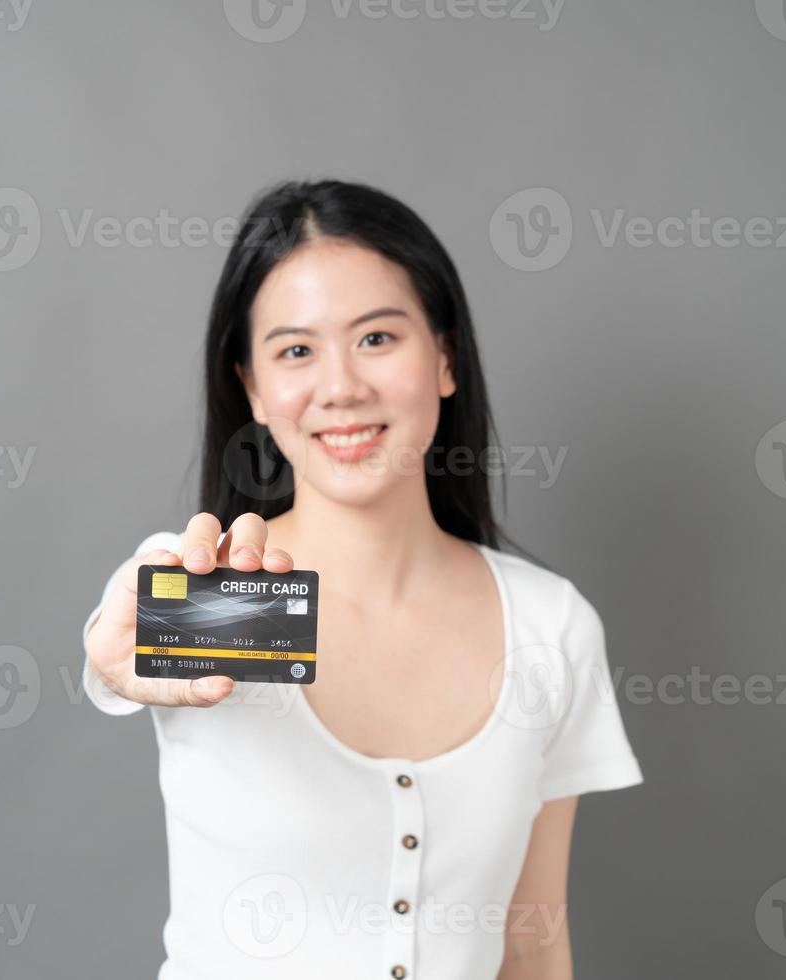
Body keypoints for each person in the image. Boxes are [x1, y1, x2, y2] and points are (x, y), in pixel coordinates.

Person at [81, 179, 643, 980]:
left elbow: (532, 942)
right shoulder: (221, 594)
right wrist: (114, 656)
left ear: (446, 357)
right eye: (296, 350)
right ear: (252, 388)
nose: (341, 387)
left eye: (377, 338)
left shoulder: (548, 625)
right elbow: (122, 650)